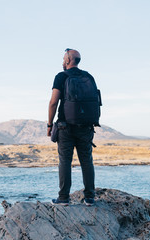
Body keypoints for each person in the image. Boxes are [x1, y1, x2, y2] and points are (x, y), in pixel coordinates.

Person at [47, 48, 96, 206]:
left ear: (68, 60)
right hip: (86, 127)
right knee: (87, 161)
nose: (62, 61)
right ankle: (89, 197)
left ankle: (63, 198)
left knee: (65, 162)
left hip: (65, 127)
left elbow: (53, 102)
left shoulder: (61, 76)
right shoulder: (88, 77)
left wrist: (49, 124)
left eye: (63, 59)